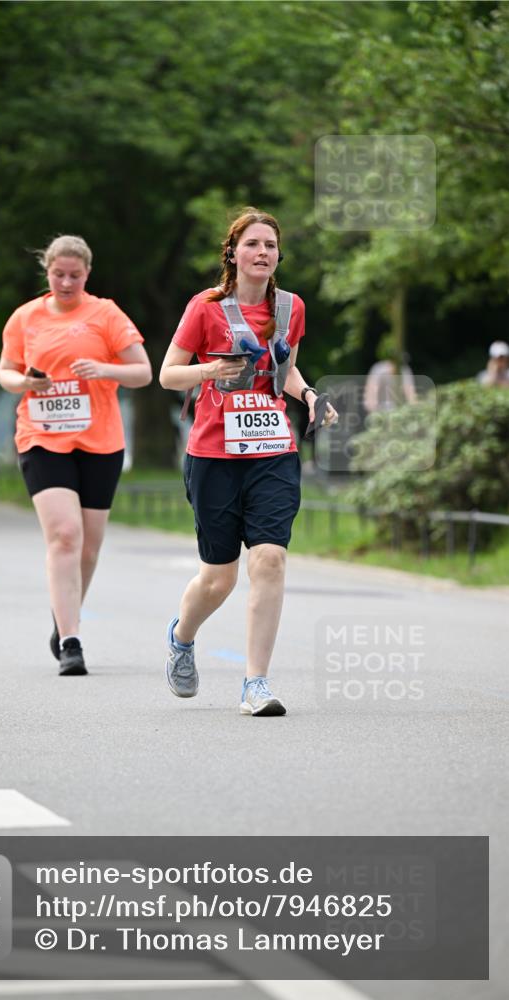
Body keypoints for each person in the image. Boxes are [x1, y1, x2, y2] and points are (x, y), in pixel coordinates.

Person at [159, 208, 337, 716]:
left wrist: (310, 396)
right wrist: (213, 370)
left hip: (273, 450)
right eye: (253, 244)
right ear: (233, 253)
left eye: (271, 245)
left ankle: (255, 683)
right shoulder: (206, 308)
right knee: (219, 577)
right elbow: (168, 375)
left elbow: (288, 370)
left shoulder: (291, 309)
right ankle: (182, 635)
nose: (263, 253)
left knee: (270, 559)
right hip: (213, 452)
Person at [0, 235, 152, 676]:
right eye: (58, 274)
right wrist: (26, 383)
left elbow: (142, 371)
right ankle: (71, 640)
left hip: (100, 440)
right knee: (65, 536)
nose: (66, 282)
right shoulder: (25, 317)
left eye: (75, 275)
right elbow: (6, 371)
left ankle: (61, 614)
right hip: (42, 437)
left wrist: (105, 369)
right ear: (47, 272)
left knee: (88, 547)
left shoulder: (105, 313)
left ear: (87, 274)